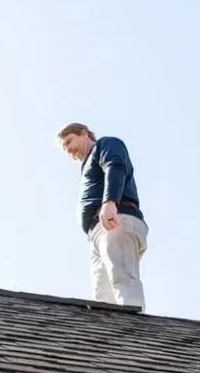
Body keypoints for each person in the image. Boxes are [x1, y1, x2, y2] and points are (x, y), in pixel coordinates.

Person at [56, 122, 148, 308]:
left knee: (122, 279)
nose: (69, 150)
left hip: (115, 219)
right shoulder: (87, 166)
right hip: (97, 233)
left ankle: (132, 323)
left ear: (84, 133)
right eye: (65, 148)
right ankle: (113, 327)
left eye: (69, 141)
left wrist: (110, 202)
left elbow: (115, 165)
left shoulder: (105, 145)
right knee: (102, 297)